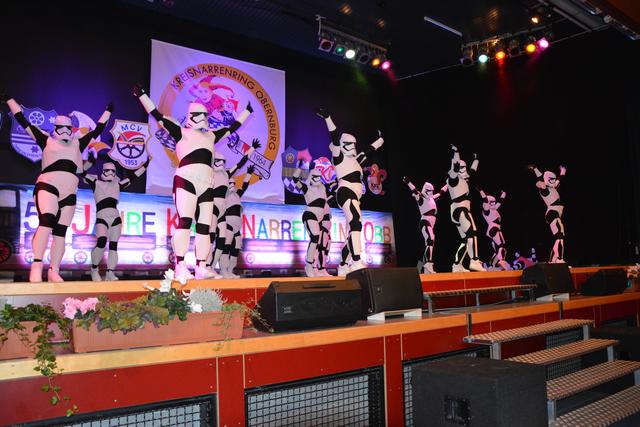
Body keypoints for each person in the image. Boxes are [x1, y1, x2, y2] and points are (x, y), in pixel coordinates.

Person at [132, 84, 253, 281]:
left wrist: (246, 112)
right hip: (186, 179)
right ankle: (180, 265)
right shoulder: (181, 132)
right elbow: (157, 115)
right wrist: (142, 96)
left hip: (206, 183)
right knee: (185, 222)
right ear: (191, 115)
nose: (204, 118)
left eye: (205, 115)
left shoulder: (211, 136)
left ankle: (201, 266)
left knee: (205, 227)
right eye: (200, 115)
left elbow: (232, 128)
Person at [3, 94, 112, 282]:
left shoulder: (78, 142)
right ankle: (37, 266)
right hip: (48, 184)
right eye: (60, 127)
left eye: (68, 128)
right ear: (54, 128)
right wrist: (9, 101)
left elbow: (98, 129)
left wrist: (108, 111)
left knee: (61, 231)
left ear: (72, 129)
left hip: (69, 189)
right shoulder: (45, 139)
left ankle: (54, 270)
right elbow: (22, 120)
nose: (64, 131)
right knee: (46, 221)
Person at [316, 108, 384, 276]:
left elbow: (369, 150)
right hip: (345, 191)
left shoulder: (355, 160)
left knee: (355, 227)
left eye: (354, 145)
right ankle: (356, 260)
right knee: (355, 223)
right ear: (344, 145)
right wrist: (328, 117)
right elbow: (334, 135)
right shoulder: (339, 157)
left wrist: (381, 140)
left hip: (354, 195)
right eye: (350, 145)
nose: (353, 147)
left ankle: (343, 264)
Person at [82, 155, 149, 281]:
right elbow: (81, 172)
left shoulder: (118, 185)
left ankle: (110, 272)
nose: (110, 173)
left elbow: (133, 177)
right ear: (103, 171)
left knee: (113, 246)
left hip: (115, 218)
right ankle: (94, 269)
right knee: (101, 242)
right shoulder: (96, 183)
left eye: (113, 171)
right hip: (102, 217)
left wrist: (144, 166)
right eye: (107, 170)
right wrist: (89, 162)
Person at [207, 139, 260, 277]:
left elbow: (240, 166)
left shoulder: (232, 187)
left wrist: (252, 150)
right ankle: (209, 267)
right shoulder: (210, 174)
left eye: (223, 162)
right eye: (218, 161)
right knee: (215, 241)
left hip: (229, 219)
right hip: (216, 212)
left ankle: (225, 270)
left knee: (231, 247)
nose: (221, 164)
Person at [446, 144, 485, 272]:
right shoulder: (453, 179)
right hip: (461, 209)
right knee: (472, 233)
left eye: (464, 167)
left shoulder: (462, 179)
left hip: (457, 210)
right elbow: (455, 167)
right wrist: (456, 152)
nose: (464, 170)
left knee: (465, 239)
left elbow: (472, 171)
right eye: (461, 168)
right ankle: (474, 260)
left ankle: (457, 264)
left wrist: (476, 159)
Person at [217, 165, 259, 278]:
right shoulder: (224, 194)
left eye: (233, 183)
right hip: (228, 223)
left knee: (236, 249)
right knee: (226, 247)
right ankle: (223, 270)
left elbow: (244, 186)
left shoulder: (237, 195)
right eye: (230, 183)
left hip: (237, 225)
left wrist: (249, 174)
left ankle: (230, 270)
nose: (232, 185)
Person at [292, 163, 334, 277]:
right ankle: (309, 265)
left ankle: (317, 267)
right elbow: (295, 179)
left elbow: (330, 190)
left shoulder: (322, 188)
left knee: (321, 243)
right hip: (309, 214)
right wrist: (299, 168)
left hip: (319, 218)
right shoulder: (307, 188)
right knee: (315, 237)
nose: (318, 179)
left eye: (319, 177)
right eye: (315, 177)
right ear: (311, 177)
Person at [403, 177, 446, 273]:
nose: (432, 193)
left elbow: (441, 192)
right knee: (430, 239)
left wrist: (448, 183)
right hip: (425, 221)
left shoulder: (432, 198)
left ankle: (425, 267)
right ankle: (428, 264)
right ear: (426, 190)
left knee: (430, 243)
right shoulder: (421, 198)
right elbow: (414, 190)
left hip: (431, 222)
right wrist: (408, 182)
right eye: (430, 191)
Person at [528, 164, 566, 263]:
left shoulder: (553, 188)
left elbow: (558, 181)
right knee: (559, 236)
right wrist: (535, 169)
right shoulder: (545, 189)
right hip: (553, 213)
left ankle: (553, 260)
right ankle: (559, 259)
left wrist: (562, 172)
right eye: (551, 179)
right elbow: (541, 180)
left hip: (554, 213)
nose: (554, 181)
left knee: (559, 236)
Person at [478, 188, 510, 270]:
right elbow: (485, 200)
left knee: (498, 249)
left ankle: (491, 265)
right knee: (501, 245)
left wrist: (504, 193)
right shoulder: (486, 209)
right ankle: (502, 261)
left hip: (494, 229)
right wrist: (481, 190)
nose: (493, 203)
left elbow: (500, 201)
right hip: (493, 228)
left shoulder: (494, 209)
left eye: (494, 202)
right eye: (491, 202)